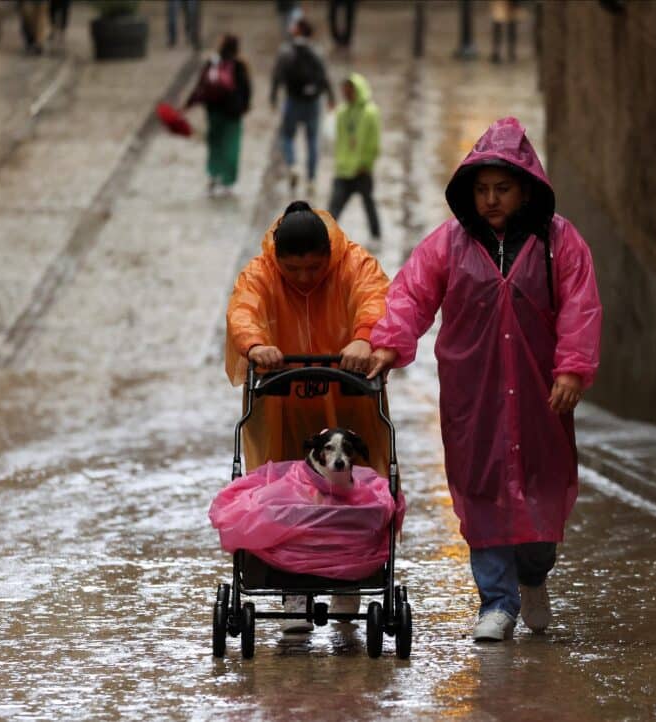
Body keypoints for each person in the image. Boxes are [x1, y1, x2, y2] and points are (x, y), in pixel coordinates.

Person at [366, 117, 602, 642]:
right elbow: (412, 293)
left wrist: (572, 368)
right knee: (482, 491)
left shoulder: (558, 242)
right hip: (474, 397)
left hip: (542, 395)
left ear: (525, 190)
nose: (491, 200)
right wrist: (388, 341)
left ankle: (533, 575)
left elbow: (580, 308)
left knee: (541, 487)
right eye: (482, 190)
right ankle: (496, 602)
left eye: (502, 189)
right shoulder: (449, 244)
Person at [225, 200, 392, 630]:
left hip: (348, 395)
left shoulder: (354, 263)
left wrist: (362, 338)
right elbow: (244, 309)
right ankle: (292, 591)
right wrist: (255, 344)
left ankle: (348, 583)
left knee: (351, 492)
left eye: (314, 269)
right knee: (283, 492)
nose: (303, 279)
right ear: (277, 261)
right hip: (280, 401)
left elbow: (375, 299)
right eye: (292, 271)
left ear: (329, 258)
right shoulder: (259, 273)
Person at [270, 18, 335, 197]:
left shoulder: (286, 51)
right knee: (312, 139)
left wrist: (273, 96)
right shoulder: (317, 51)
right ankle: (312, 179)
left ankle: (292, 165)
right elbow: (325, 76)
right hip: (313, 101)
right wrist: (331, 97)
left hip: (293, 100)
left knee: (288, 136)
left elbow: (277, 75)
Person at [186, 34, 252, 196]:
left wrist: (189, 103)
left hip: (214, 109)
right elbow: (246, 88)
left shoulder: (212, 62)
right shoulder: (239, 65)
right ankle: (228, 180)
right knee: (231, 144)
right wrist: (245, 106)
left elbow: (200, 85)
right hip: (232, 111)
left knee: (214, 142)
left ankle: (213, 173)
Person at [328, 73, 381, 241]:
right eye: (344, 90)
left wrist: (366, 163)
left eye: (349, 90)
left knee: (369, 205)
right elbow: (339, 139)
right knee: (334, 208)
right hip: (343, 170)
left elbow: (374, 142)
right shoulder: (342, 112)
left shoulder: (370, 113)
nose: (346, 94)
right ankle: (325, 239)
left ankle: (376, 235)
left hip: (361, 170)